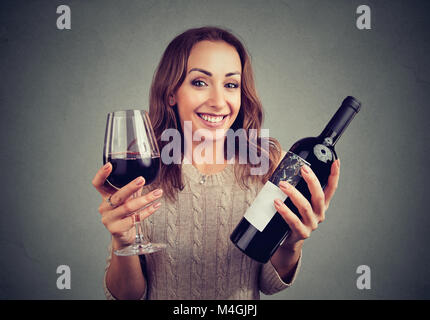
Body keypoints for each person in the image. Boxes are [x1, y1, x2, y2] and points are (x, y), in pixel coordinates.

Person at [92, 26, 340, 300]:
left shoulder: (269, 166)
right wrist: (122, 242)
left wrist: (293, 243)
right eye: (200, 82)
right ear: (171, 92)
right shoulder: (145, 172)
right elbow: (127, 296)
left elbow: (269, 285)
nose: (218, 101)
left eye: (231, 85)